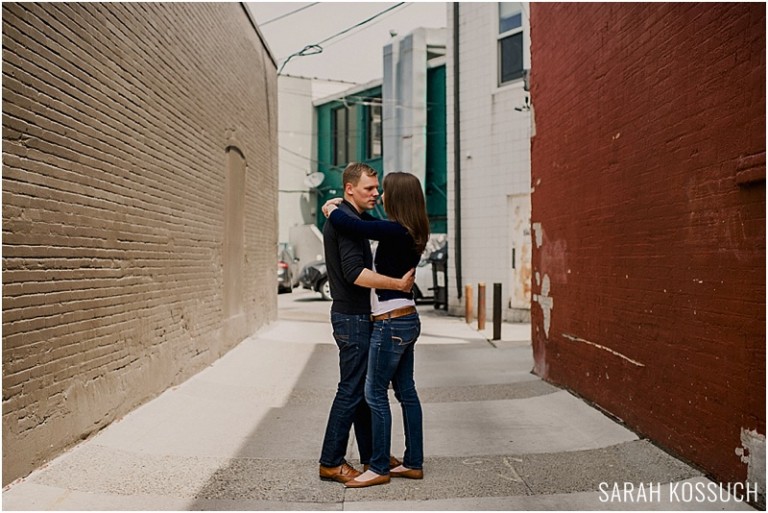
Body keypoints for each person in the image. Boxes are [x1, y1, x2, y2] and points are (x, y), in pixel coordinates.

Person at [322, 172, 429, 489]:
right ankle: (409, 462)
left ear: (398, 198)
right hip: (402, 317)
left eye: (383, 191)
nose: (379, 195)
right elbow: (355, 256)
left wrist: (332, 209)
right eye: (371, 188)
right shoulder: (413, 228)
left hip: (390, 320)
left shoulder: (392, 229)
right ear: (350, 188)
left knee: (371, 393)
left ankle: (377, 465)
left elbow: (357, 227)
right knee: (402, 392)